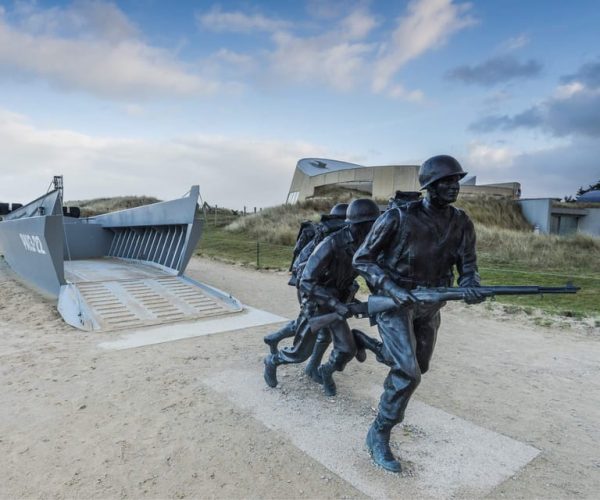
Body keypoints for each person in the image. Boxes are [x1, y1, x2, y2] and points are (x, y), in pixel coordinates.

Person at [353, 155, 485, 473]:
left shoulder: (461, 222)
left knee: (419, 366)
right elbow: (363, 259)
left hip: (431, 305)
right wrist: (393, 289)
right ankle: (379, 433)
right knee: (407, 373)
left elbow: (468, 266)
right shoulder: (398, 217)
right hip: (394, 304)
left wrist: (471, 286)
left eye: (456, 181)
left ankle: (372, 346)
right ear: (429, 186)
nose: (454, 186)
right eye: (446, 182)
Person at [263, 198, 381, 394]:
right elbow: (306, 282)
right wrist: (334, 303)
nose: (375, 229)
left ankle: (324, 371)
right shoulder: (331, 244)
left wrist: (379, 297)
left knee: (346, 349)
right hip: (318, 303)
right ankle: (272, 360)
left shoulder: (365, 246)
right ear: (358, 225)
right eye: (371, 225)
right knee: (300, 353)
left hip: (338, 305)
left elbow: (370, 275)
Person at [263, 203, 348, 380]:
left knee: (321, 330)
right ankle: (276, 358)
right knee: (308, 328)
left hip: (327, 292)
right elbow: (304, 271)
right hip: (313, 290)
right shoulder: (328, 238)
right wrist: (310, 298)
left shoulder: (347, 239)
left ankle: (310, 365)